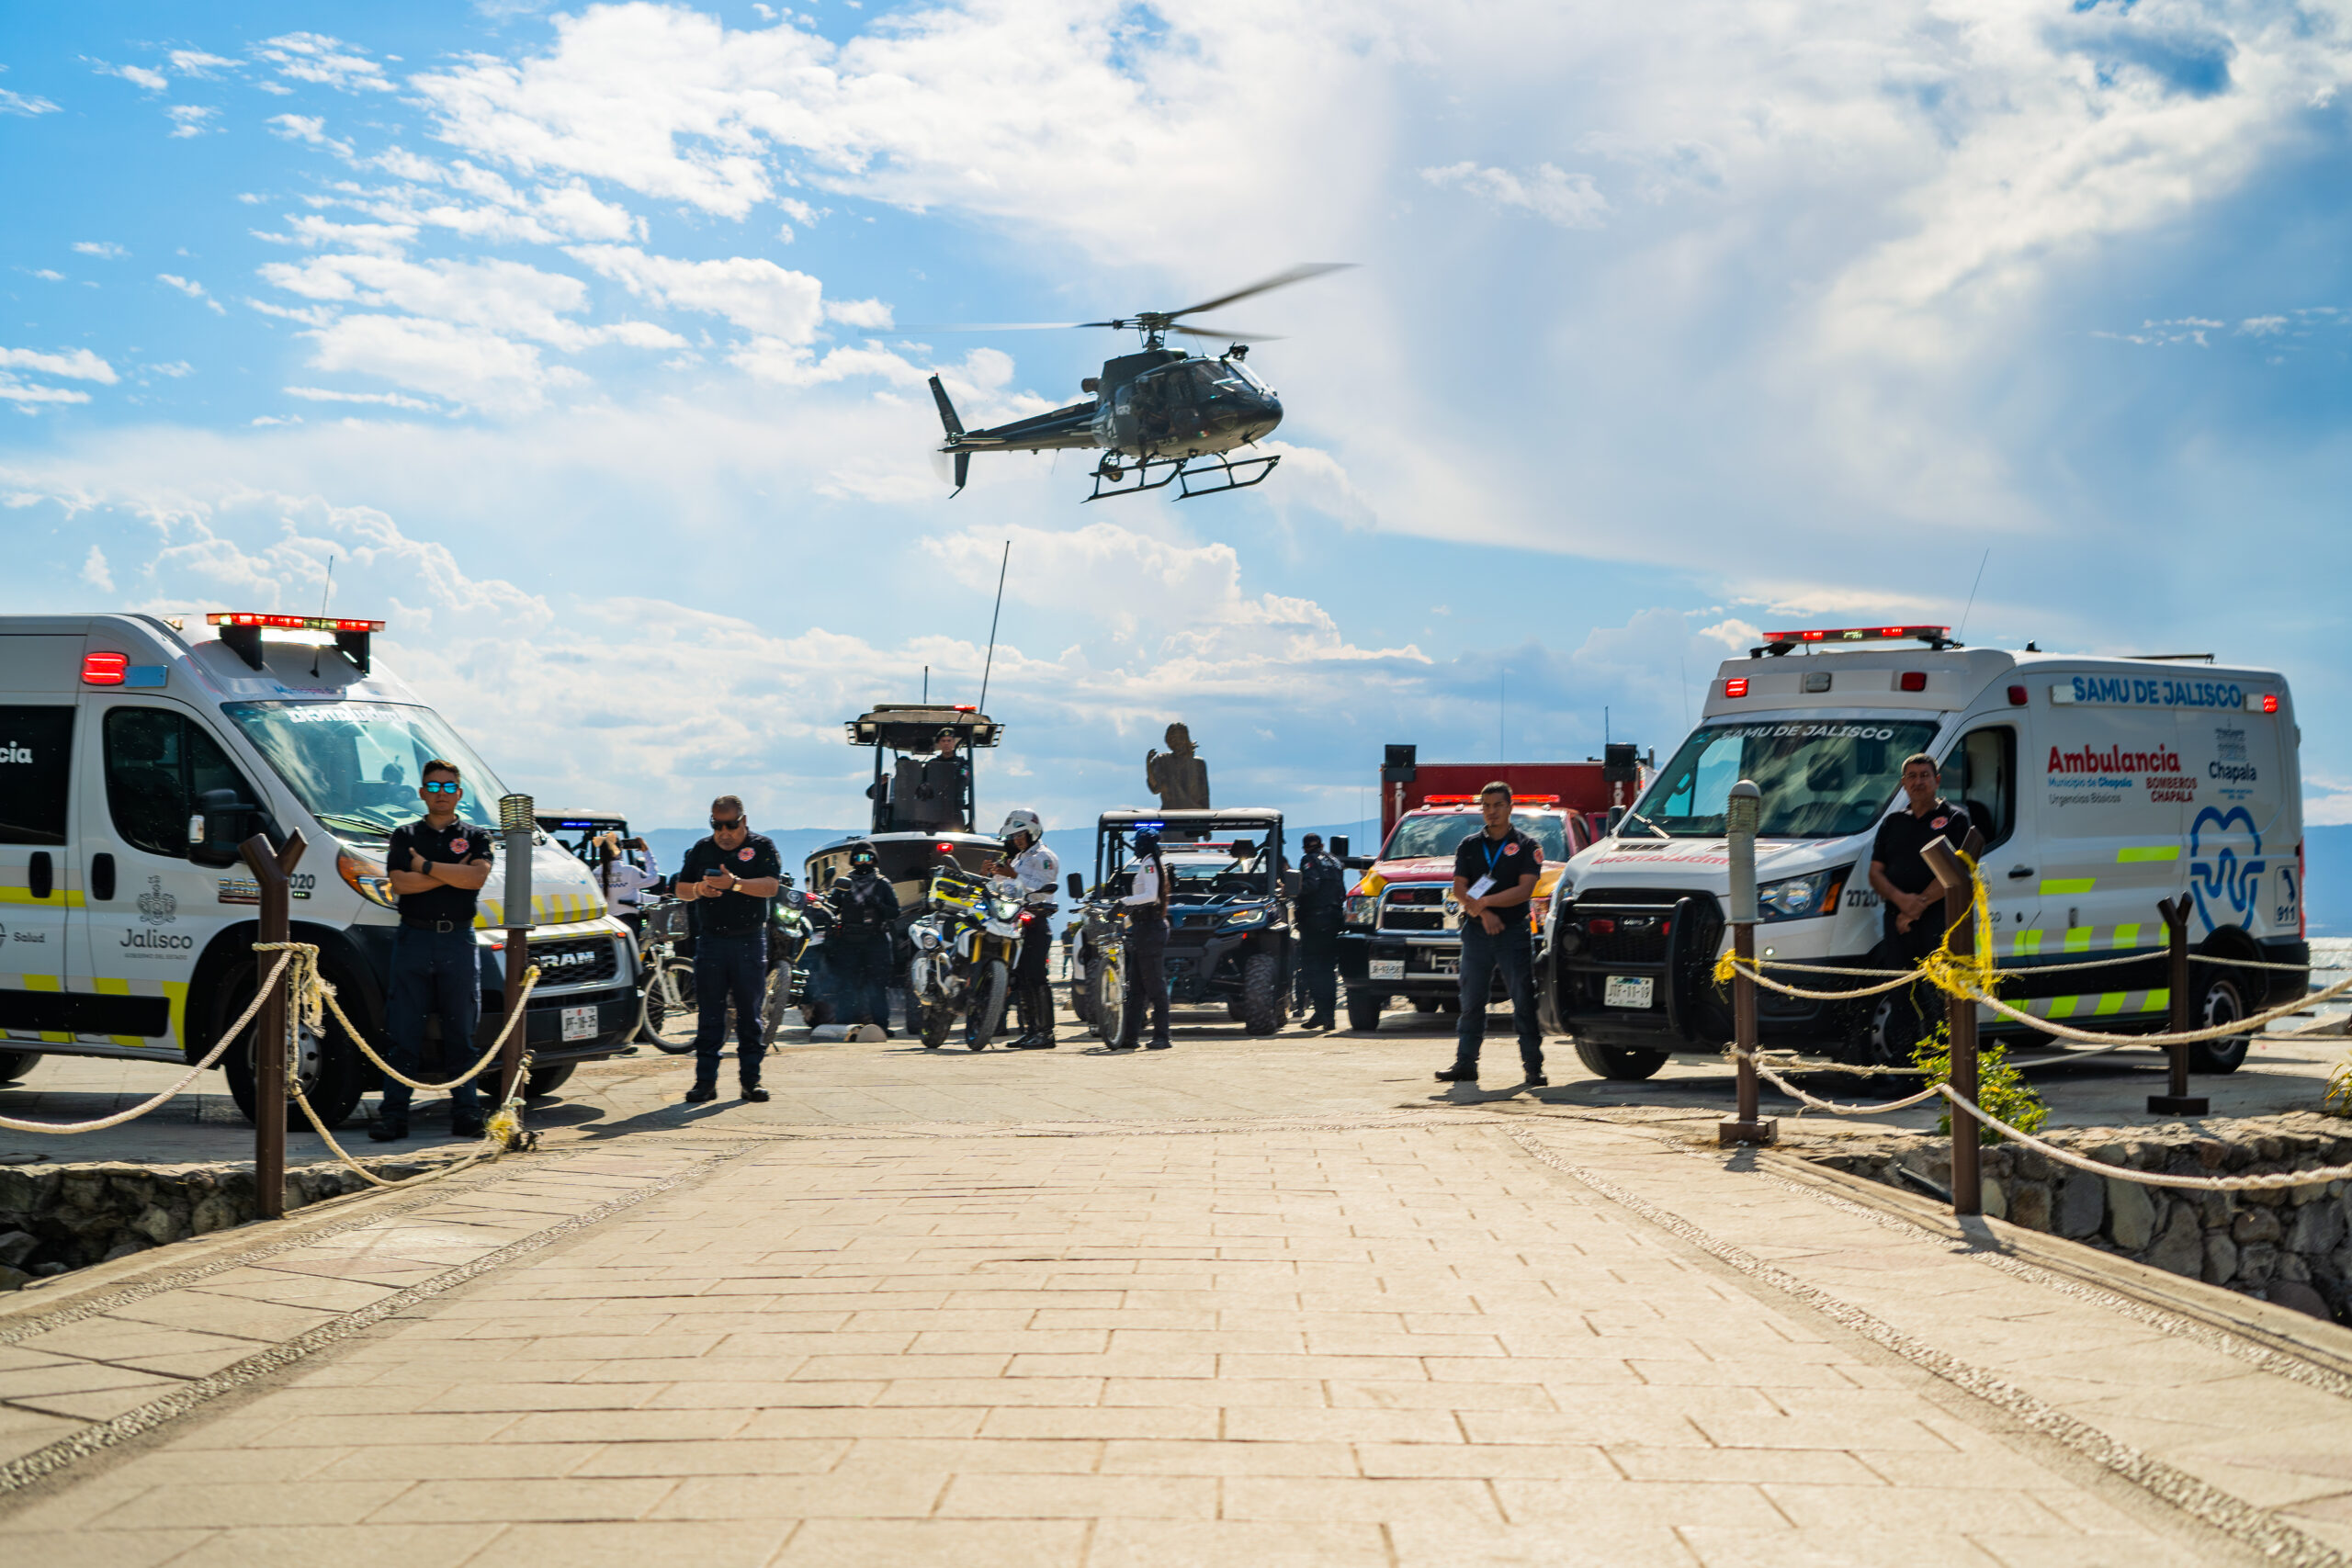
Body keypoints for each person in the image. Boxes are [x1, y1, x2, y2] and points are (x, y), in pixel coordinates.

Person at [372, 760, 493, 1142]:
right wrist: (448, 875)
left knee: (462, 1032)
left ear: (459, 793)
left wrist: (424, 865)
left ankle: (467, 1113)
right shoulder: (403, 833)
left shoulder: (475, 835)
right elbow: (400, 885)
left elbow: (475, 878)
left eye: (449, 787)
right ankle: (393, 1116)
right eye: (434, 787)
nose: (441, 794)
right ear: (422, 792)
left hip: (458, 939)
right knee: (402, 1032)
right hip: (414, 938)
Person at [673, 795, 784, 1103]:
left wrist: (733, 884)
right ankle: (704, 1083)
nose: (724, 832)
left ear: (744, 822)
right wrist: (699, 889)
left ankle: (751, 1081)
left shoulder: (762, 847)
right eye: (717, 825)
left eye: (731, 825)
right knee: (709, 1014)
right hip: (711, 942)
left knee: (750, 1015)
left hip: (749, 940)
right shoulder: (702, 849)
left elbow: (771, 887)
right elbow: (681, 888)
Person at [1435, 783, 1545, 1086]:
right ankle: (1465, 1064)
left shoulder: (1527, 845)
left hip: (1513, 932)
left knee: (1523, 999)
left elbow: (1525, 890)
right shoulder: (1469, 845)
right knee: (1471, 999)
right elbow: (1459, 888)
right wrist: (1483, 912)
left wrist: (1486, 902)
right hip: (1477, 932)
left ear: (1510, 807)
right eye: (1485, 806)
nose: (1491, 812)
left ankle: (1533, 1067)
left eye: (1497, 805)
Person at [1868, 754, 1973, 1048]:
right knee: (1902, 996)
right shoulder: (1892, 822)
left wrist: (1918, 905)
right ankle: (1908, 1071)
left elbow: (1956, 871)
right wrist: (1902, 902)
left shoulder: (1955, 818)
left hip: (1940, 922)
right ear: (1903, 784)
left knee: (1938, 995)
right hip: (1899, 923)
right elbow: (1875, 873)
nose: (1918, 781)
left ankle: (1945, 1070)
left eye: (1924, 775)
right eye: (1911, 776)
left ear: (1937, 780)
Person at [987, 808, 1061, 1049]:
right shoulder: (1018, 858)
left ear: (1033, 832)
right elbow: (1007, 888)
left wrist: (1013, 875)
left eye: (1021, 835)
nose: (1017, 840)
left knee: (1038, 977)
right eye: (1014, 836)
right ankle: (1030, 1030)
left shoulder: (1044, 856)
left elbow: (1042, 886)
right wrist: (993, 874)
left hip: (1037, 920)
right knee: (1023, 979)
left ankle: (1046, 1033)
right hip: (1016, 922)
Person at [825, 839, 900, 1037]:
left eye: (868, 857)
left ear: (874, 860)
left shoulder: (882, 884)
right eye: (859, 858)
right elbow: (830, 909)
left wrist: (877, 904)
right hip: (849, 941)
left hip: (876, 940)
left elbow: (895, 912)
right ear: (853, 860)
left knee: (877, 987)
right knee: (846, 985)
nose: (863, 862)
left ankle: (881, 1026)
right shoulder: (844, 884)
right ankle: (843, 1026)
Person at [1115, 829, 1173, 1050]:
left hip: (1149, 929)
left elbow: (1151, 896)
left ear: (1144, 845)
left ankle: (1162, 1035)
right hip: (1143, 929)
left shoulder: (1149, 864)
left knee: (1155, 985)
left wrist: (1125, 901)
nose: (1136, 847)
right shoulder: (1150, 862)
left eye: (1138, 843)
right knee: (1137, 987)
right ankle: (1130, 1036)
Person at [1294, 832, 1344, 1032]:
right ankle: (1327, 1016)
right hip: (1334, 919)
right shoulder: (1335, 861)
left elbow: (1311, 885)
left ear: (1305, 848)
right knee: (1328, 969)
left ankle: (1322, 1013)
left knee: (1311, 968)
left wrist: (1292, 889)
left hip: (1315, 921)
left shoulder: (1308, 860)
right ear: (1322, 844)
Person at [596, 832, 661, 943]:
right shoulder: (630, 871)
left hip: (605, 922)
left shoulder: (595, 873)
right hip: (628, 922)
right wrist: (646, 851)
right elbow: (654, 878)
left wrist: (658, 899)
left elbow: (626, 895)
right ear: (620, 849)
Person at [914, 728, 971, 831]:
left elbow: (965, 780)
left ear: (954, 742)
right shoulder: (931, 764)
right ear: (939, 744)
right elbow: (921, 784)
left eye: (949, 741)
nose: (946, 744)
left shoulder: (963, 764)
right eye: (943, 741)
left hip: (954, 810)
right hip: (934, 812)